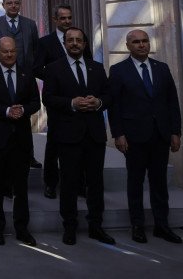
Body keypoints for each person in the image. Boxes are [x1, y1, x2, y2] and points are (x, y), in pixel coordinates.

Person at [108, 29, 183, 244]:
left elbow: (172, 103)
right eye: (136, 42)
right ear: (128, 45)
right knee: (136, 182)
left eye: (145, 41)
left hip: (160, 135)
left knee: (159, 183)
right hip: (134, 136)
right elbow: (115, 107)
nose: (142, 45)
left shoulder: (162, 68)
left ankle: (162, 225)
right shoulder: (119, 70)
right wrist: (118, 134)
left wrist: (175, 132)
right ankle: (137, 225)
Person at [42, 27, 114, 246]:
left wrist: (99, 103)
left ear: (84, 44)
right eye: (70, 40)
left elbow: (109, 96)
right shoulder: (53, 69)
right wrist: (71, 103)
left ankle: (96, 226)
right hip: (68, 135)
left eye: (78, 40)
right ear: (64, 44)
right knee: (70, 183)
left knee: (95, 183)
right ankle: (70, 226)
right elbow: (48, 98)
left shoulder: (97, 68)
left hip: (94, 135)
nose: (74, 43)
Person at [0, 36, 41, 247]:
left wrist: (22, 110)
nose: (10, 55)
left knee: (21, 189)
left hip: (21, 140)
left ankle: (22, 229)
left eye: (13, 51)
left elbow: (35, 102)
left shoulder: (26, 73)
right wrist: (5, 111)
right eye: (5, 52)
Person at [34, 4, 91, 199]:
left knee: (82, 141)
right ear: (55, 20)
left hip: (81, 98)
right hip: (57, 98)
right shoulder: (45, 42)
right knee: (54, 142)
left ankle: (81, 183)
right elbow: (36, 67)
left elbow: (89, 64)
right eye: (63, 18)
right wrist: (56, 78)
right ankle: (50, 183)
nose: (67, 21)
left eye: (69, 18)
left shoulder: (80, 37)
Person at [0, 0, 42, 169]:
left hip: (24, 78)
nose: (13, 6)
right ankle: (5, 155)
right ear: (3, 5)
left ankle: (28, 155)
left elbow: (36, 50)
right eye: (9, 3)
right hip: (3, 77)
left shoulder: (30, 24)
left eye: (16, 3)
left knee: (24, 118)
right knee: (5, 116)